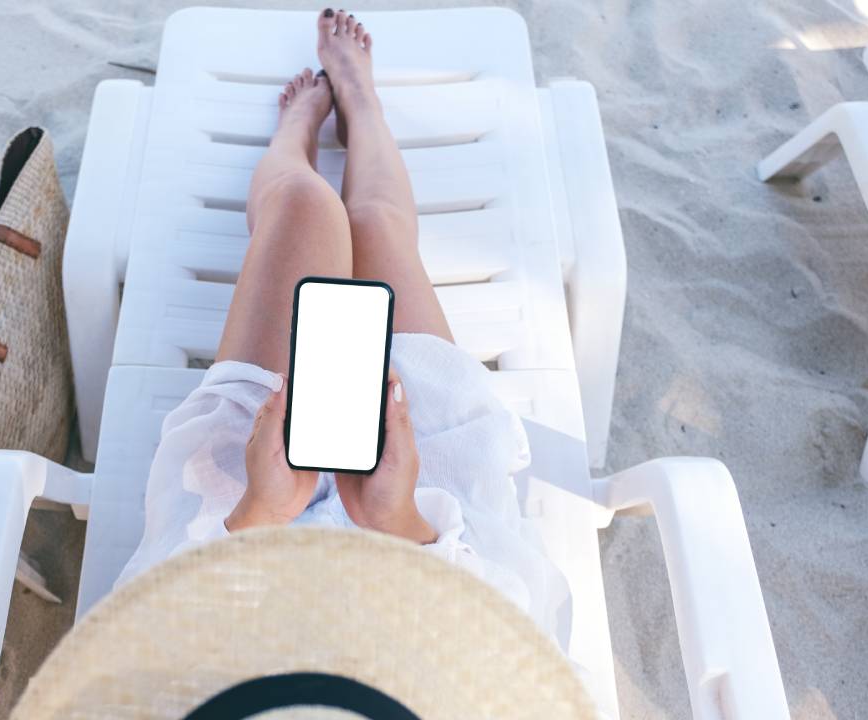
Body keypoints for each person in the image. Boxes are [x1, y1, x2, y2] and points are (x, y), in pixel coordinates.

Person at [117, 8, 572, 648]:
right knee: (376, 227)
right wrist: (400, 522)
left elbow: (137, 653)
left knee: (305, 207)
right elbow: (516, 647)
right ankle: (361, 104)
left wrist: (260, 517)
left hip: (238, 524)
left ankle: (295, 138)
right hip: (428, 521)